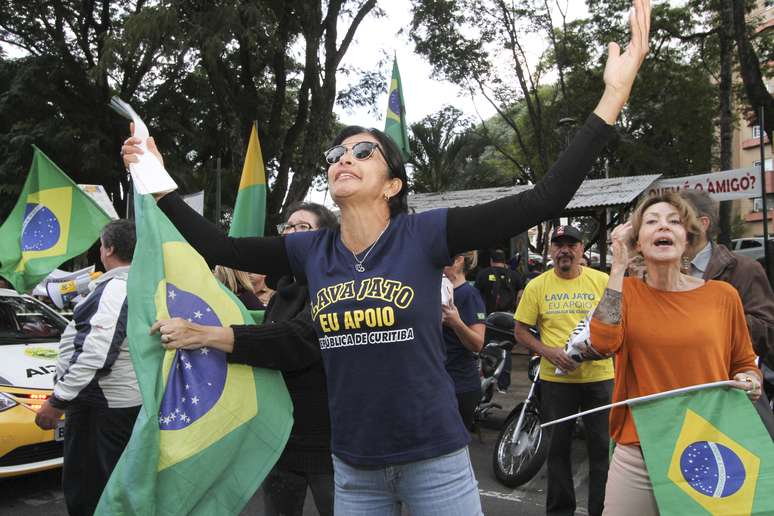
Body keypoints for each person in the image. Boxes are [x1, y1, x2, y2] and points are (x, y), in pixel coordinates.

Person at [122, 3, 649, 511]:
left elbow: (544, 199)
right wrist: (157, 180)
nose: (344, 159)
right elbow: (220, 247)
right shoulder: (312, 249)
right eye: (336, 155)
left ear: (392, 184)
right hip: (353, 465)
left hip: (435, 458)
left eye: (362, 152)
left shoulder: (423, 235)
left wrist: (614, 94)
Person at [588, 192, 761, 515]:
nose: (662, 227)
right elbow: (601, 343)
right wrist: (619, 265)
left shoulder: (723, 296)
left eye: (673, 221)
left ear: (688, 238)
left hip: (708, 447)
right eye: (651, 222)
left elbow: (744, 363)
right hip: (638, 446)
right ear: (638, 242)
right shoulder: (626, 294)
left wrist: (750, 381)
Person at [34, 220, 140, 516]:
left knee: (89, 492)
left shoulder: (116, 288)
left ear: (110, 249)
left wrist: (57, 401)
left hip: (101, 406)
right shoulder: (135, 284)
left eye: (101, 244)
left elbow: (97, 351)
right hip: (112, 404)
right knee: (107, 487)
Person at [514, 225, 614, 516]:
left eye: (571, 244)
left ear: (582, 250)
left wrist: (601, 350)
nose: (564, 250)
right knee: (557, 451)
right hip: (556, 382)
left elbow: (618, 325)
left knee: (602, 450)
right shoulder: (537, 286)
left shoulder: (603, 281)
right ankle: (560, 511)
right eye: (558, 245)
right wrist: (549, 352)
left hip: (600, 378)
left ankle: (602, 509)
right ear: (550, 251)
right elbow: (521, 331)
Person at [442, 251, 486, 430]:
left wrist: (456, 322)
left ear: (458, 261)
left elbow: (477, 344)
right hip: (438, 382)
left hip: (459, 385)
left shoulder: (469, 294)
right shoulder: (440, 290)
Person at [475, 248, 524, 391]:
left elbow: (476, 295)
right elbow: (520, 296)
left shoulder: (483, 274)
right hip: (508, 318)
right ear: (504, 261)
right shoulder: (515, 275)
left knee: (484, 349)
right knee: (505, 348)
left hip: (488, 318)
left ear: (491, 260)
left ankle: (486, 381)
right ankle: (503, 385)